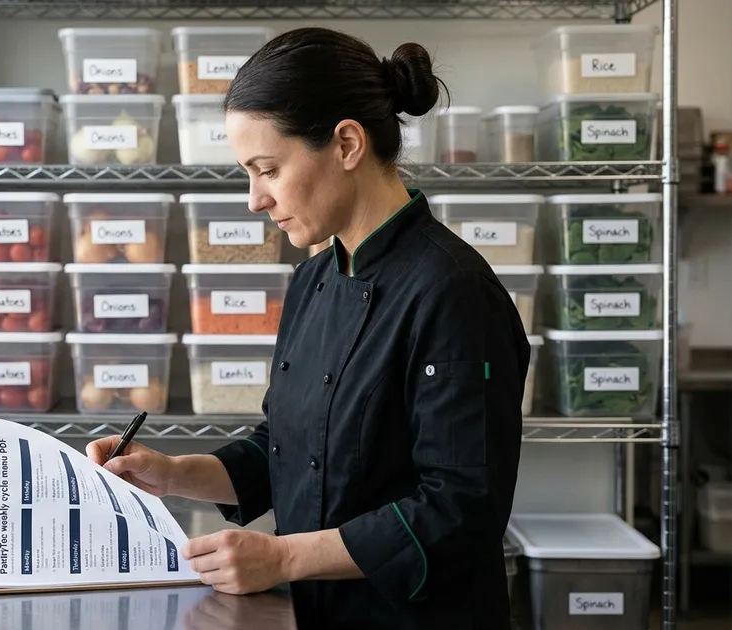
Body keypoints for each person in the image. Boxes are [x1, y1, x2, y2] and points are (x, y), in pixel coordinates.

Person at [87, 26, 529, 630]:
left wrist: (282, 557)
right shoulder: (312, 279)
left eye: (266, 169)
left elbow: (460, 509)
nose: (254, 199)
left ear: (347, 143)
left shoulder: (452, 292)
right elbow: (289, 450)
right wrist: (170, 474)